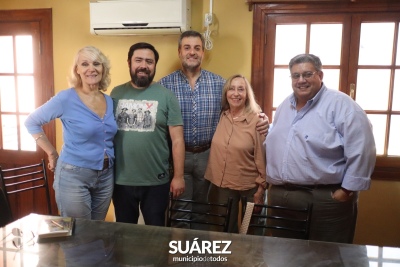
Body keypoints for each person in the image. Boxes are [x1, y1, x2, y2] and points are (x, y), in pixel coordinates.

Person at [159, 30, 269, 230]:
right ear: (179, 52)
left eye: (197, 48)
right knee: (180, 210)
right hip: (176, 156)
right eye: (187, 48)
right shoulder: (164, 86)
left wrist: (262, 117)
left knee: (204, 210)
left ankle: (200, 258)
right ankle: (180, 258)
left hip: (209, 156)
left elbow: (242, 104)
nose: (192, 52)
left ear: (203, 53)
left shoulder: (219, 83)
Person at [265, 53, 376, 243]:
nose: (301, 80)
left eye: (307, 74)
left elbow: (362, 149)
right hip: (282, 198)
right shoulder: (285, 106)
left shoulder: (342, 106)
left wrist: (346, 191)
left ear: (320, 75)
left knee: (327, 257)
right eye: (295, 76)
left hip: (324, 198)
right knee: (283, 257)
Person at [25, 46, 117, 220]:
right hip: (74, 176)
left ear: (103, 69)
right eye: (85, 64)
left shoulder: (109, 100)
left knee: (96, 231)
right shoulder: (65, 98)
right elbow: (32, 122)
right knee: (78, 233)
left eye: (96, 63)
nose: (91, 68)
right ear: (77, 70)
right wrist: (52, 153)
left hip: (106, 176)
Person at [111, 42, 185, 226]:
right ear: (129, 63)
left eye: (149, 61)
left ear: (154, 66)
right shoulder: (115, 94)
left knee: (156, 234)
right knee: (124, 233)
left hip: (156, 181)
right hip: (121, 180)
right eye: (138, 60)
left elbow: (177, 140)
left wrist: (178, 176)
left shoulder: (167, 96)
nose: (144, 65)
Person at [205, 74, 267, 233]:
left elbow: (263, 157)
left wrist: (261, 189)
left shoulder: (257, 120)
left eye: (241, 89)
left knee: (249, 229)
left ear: (247, 95)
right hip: (223, 185)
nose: (236, 93)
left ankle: (248, 258)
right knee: (224, 229)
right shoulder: (222, 115)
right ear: (226, 93)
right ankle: (228, 258)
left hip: (250, 187)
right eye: (231, 89)